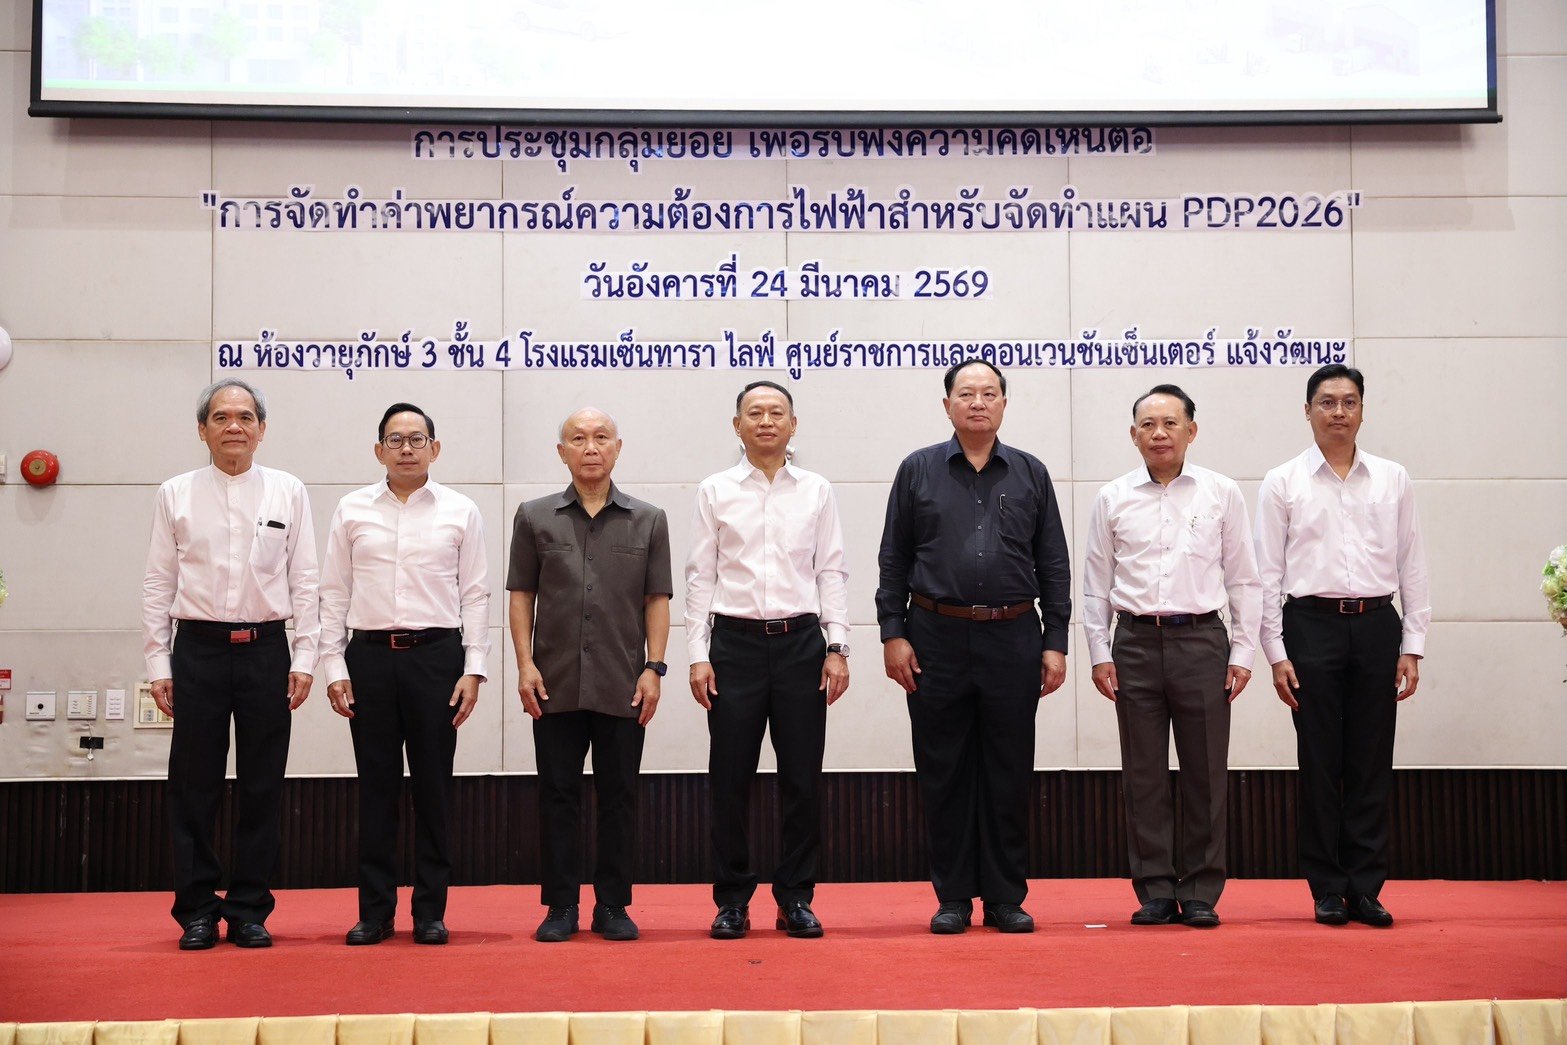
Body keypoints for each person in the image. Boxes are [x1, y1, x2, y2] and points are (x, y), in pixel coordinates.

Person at [876, 359, 1070, 935]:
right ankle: (954, 896)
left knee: (1009, 771)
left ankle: (1006, 897)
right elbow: (893, 559)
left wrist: (1055, 641)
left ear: (1004, 404)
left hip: (1013, 636)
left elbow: (1053, 563)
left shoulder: (1031, 473)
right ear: (947, 406)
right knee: (944, 771)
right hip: (934, 636)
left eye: (989, 393)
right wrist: (892, 632)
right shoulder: (917, 470)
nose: (978, 402)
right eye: (966, 394)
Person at [142, 379, 319, 950]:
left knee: (263, 784)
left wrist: (306, 656)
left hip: (267, 649)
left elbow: (306, 579)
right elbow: (158, 582)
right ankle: (196, 910)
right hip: (197, 650)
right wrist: (158, 662)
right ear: (203, 430)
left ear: (262, 429)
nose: (233, 426)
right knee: (193, 785)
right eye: (221, 417)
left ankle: (248, 909)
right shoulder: (175, 493)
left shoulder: (288, 490)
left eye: (245, 416)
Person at [1081, 384, 1261, 929]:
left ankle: (1201, 889)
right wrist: (1099, 652)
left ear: (1191, 430)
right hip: (1134, 643)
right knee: (1143, 774)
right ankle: (1155, 888)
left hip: (1202, 641)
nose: (1159, 434)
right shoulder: (1112, 497)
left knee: (1206, 771)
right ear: (1133, 434)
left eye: (1170, 423)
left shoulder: (1221, 492)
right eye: (1148, 425)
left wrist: (1243, 652)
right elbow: (1095, 583)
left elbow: (1244, 578)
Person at [1255, 364, 1429, 928]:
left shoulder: (1392, 478)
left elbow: (1412, 561)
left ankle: (1367, 887)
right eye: (1326, 402)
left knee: (1372, 760)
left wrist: (1413, 642)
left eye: (1349, 402)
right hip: (1310, 625)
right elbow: (1266, 574)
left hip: (1378, 624)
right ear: (1307, 411)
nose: (1338, 412)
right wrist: (1275, 652)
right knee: (1320, 760)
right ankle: (1328, 887)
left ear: (1362, 411)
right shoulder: (1283, 481)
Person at [319, 402, 490, 946]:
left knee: (434, 789)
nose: (407, 449)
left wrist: (474, 668)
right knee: (377, 789)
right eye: (396, 440)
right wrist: (333, 665)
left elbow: (475, 594)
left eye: (417, 439)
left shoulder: (461, 510)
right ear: (379, 451)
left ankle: (430, 912)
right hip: (369, 658)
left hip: (436, 658)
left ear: (434, 449)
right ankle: (375, 912)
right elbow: (333, 592)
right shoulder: (351, 509)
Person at [685, 380, 850, 940]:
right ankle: (732, 900)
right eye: (754, 413)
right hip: (734, 646)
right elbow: (700, 576)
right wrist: (697, 655)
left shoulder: (817, 490)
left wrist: (837, 646)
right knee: (729, 778)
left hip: (802, 643)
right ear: (737, 425)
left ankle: (795, 897)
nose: (765, 421)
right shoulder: (714, 490)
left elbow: (831, 570)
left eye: (776, 412)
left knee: (802, 778)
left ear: (793, 424)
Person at [508, 408, 672, 943]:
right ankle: (560, 906)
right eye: (578, 439)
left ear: (618, 447)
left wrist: (654, 668)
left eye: (601, 437)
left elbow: (657, 599)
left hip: (623, 681)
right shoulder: (534, 517)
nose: (591, 447)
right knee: (557, 796)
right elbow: (521, 596)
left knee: (619, 797)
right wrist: (525, 664)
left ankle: (613, 906)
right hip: (553, 681)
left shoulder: (649, 519)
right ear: (562, 452)